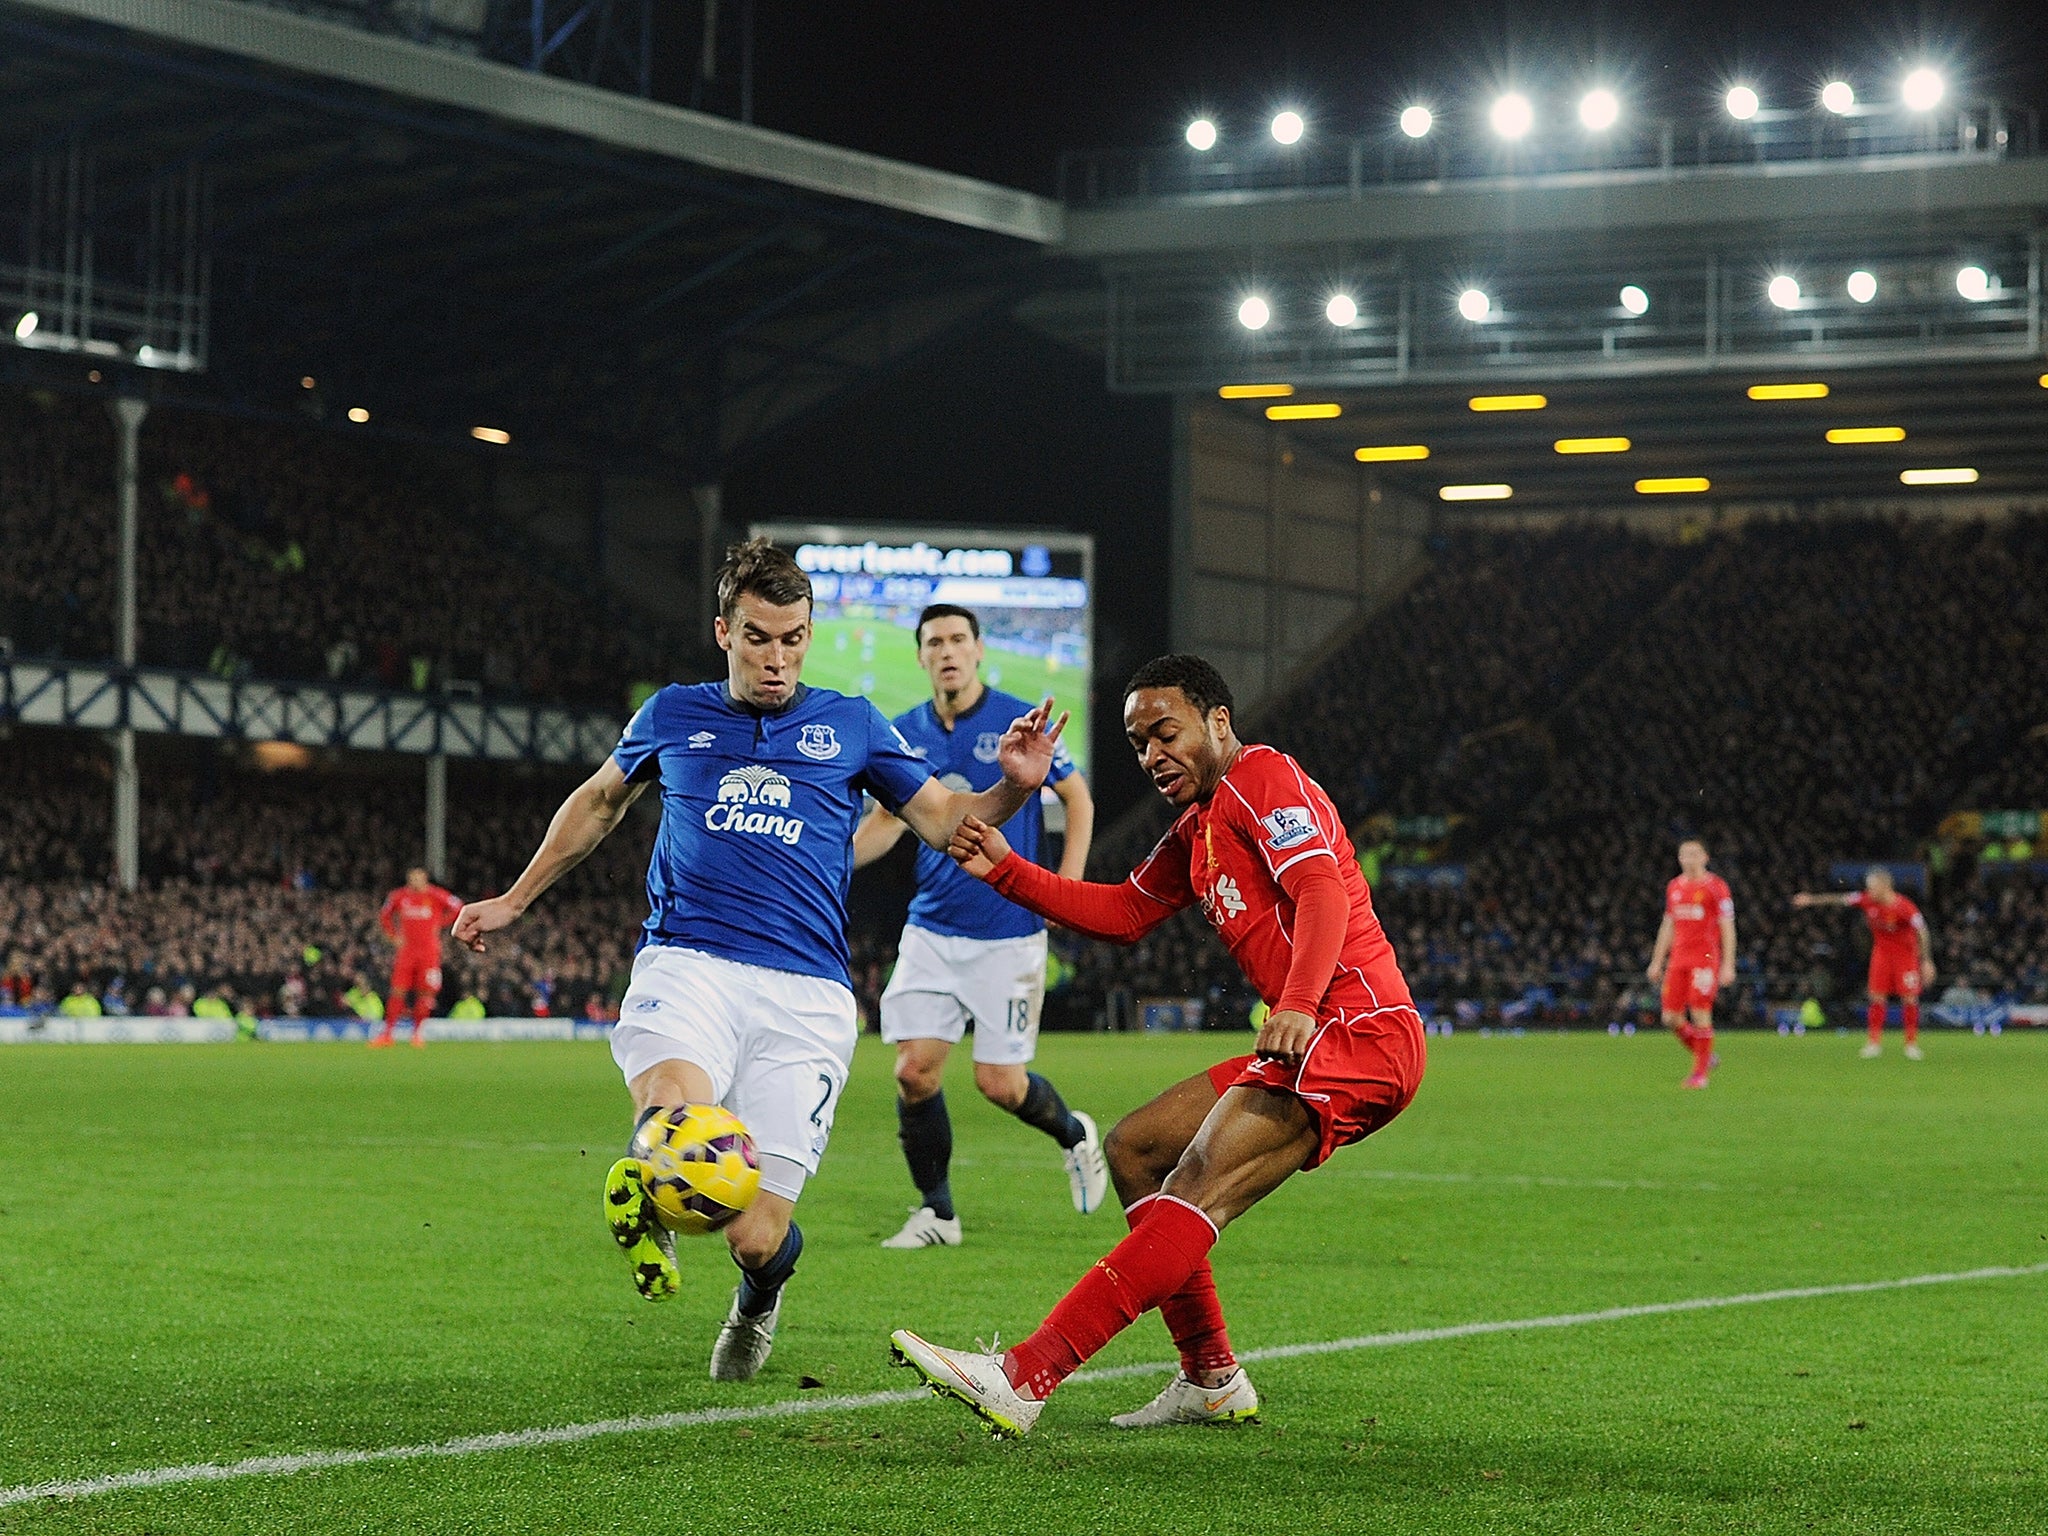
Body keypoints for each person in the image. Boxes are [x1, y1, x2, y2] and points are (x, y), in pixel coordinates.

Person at [451, 538, 1066, 1384]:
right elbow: (599, 804)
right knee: (673, 1111)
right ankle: (655, 1189)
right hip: (688, 962)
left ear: (809, 635)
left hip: (807, 995)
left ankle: (758, 1295)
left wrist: (1013, 790)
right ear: (723, 631)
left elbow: (945, 819)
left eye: (792, 639)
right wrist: (515, 899)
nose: (776, 659)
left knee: (755, 1233)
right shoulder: (673, 713)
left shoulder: (850, 722)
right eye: (758, 638)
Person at [889, 653, 1425, 1436]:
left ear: (1217, 720)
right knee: (1138, 1148)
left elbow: (1318, 889)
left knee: (1198, 1181)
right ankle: (1210, 1377)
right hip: (1314, 1037)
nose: (1151, 756)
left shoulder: (1264, 777)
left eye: (1164, 733)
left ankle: (1024, 1375)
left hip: (1358, 1031)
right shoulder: (1199, 827)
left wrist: (1302, 1002)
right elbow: (1122, 912)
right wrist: (1006, 870)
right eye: (1139, 744)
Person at [852, 603, 1105, 1248]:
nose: (947, 651)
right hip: (932, 930)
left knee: (1000, 1085)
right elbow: (884, 823)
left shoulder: (1017, 720)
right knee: (914, 1072)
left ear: (979, 649)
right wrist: (827, 863)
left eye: (958, 639)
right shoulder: (903, 731)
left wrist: (1064, 889)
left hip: (1009, 932)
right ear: (920, 656)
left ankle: (1073, 1134)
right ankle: (938, 1214)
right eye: (934, 642)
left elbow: (1076, 796)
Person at [1792, 868, 1935, 1059]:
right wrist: (1811, 900)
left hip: (1905, 957)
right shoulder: (1867, 900)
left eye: (1873, 887)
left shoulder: (1904, 907)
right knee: (1876, 997)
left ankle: (1911, 1044)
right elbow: (1840, 899)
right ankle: (1874, 1043)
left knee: (1909, 998)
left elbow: (1922, 931)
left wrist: (1926, 961)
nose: (1870, 891)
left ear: (1885, 886)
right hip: (1881, 955)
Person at [1643, 839, 1736, 1089]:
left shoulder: (1716, 887)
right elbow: (1668, 924)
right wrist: (1656, 961)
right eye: (1684, 854)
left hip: (1704, 959)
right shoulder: (1674, 887)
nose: (1689, 858)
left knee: (1700, 1012)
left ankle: (1699, 1075)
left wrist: (1728, 964)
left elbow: (1727, 927)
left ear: (1705, 857)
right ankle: (1705, 1055)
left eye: (1694, 854)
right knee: (1670, 1017)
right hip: (1678, 960)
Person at [372, 867, 462, 1048]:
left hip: (429, 953)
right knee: (398, 991)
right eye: (412, 877)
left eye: (419, 877)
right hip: (406, 953)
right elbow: (384, 916)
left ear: (425, 879)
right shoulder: (398, 896)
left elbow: (458, 907)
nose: (415, 881)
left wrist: (441, 923)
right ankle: (388, 1034)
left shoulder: (435, 895)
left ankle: (417, 1034)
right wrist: (393, 936)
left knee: (425, 993)